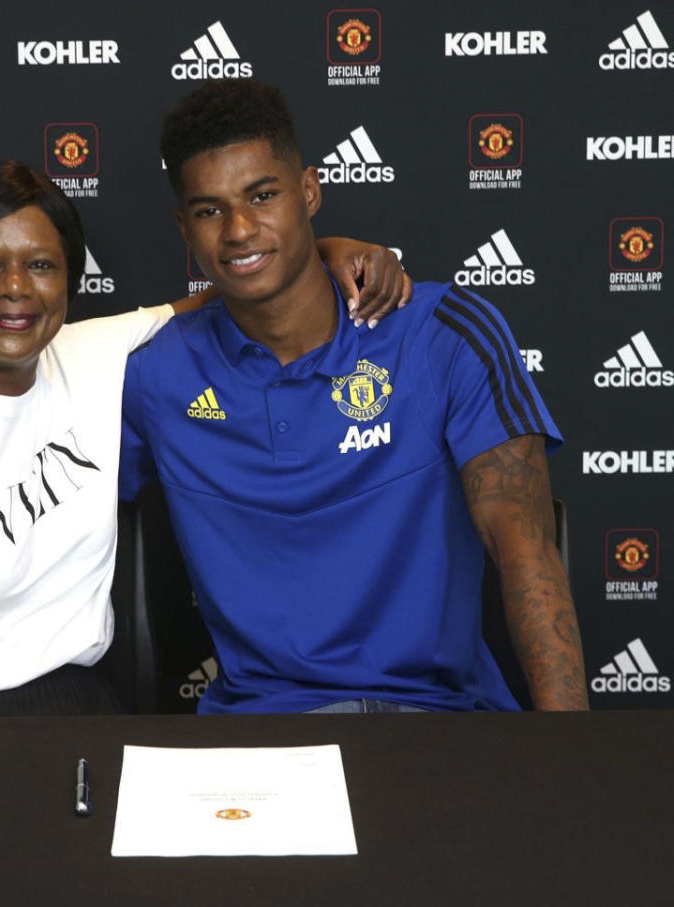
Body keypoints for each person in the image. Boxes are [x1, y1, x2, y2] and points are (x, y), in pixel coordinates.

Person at [0, 159, 410, 718]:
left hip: (79, 707)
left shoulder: (94, 354)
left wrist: (328, 249)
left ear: (69, 279)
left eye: (41, 264)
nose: (15, 287)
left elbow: (241, 292)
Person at [114, 79, 587, 713]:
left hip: (438, 723)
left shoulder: (444, 334)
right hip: (259, 736)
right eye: (209, 211)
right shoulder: (156, 373)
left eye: (262, 195)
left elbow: (523, 543)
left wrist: (568, 754)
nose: (239, 229)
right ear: (185, 229)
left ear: (309, 191)